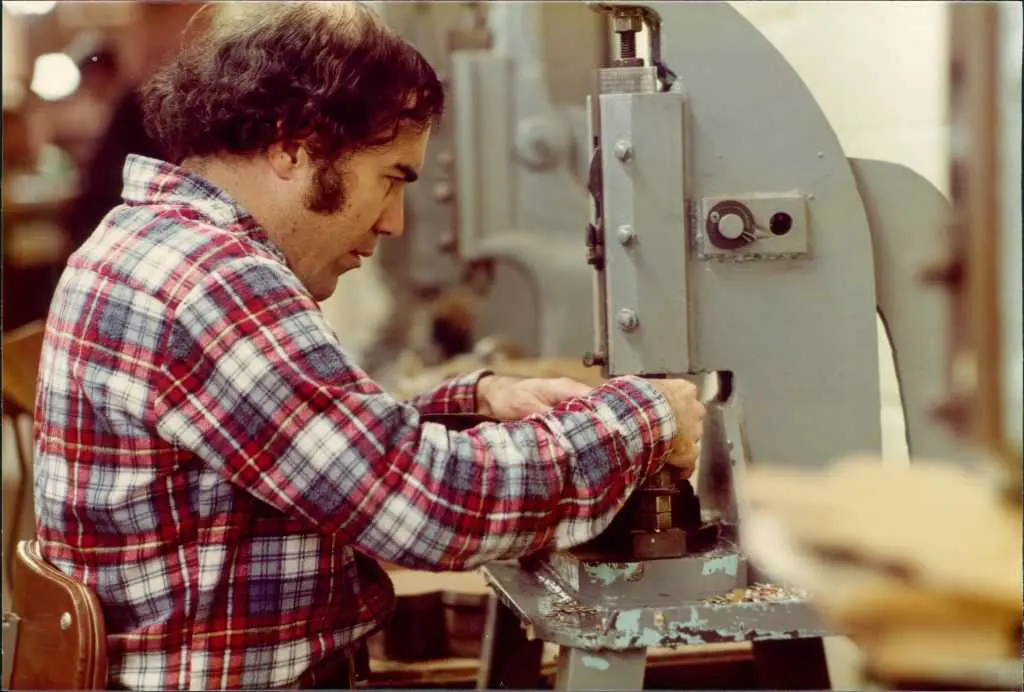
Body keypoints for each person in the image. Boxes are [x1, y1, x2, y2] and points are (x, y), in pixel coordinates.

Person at [33, 3, 706, 690]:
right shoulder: (215, 279)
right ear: (293, 145)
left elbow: (307, 445)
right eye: (391, 177)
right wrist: (645, 415)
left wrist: (476, 403)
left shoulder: (147, 240)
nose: (394, 222)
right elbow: (433, 511)